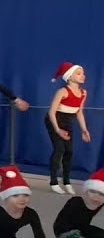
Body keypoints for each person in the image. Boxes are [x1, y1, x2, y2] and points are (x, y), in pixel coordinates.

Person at [48, 62, 90, 194]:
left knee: (69, 151)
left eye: (83, 73)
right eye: (78, 73)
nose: (83, 76)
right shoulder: (62, 92)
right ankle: (53, 181)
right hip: (54, 121)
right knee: (59, 149)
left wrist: (84, 129)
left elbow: (79, 112)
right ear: (69, 76)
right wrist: (57, 130)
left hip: (67, 122)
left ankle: (66, 181)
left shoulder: (83, 93)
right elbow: (51, 112)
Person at [55, 168, 103, 238]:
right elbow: (62, 223)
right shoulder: (75, 202)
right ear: (87, 190)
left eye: (101, 194)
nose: (96, 196)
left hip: (82, 227)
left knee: (102, 235)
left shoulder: (100, 202)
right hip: (64, 230)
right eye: (92, 191)